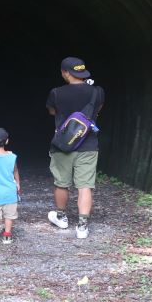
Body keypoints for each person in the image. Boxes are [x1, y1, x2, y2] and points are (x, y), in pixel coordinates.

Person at [46, 57, 104, 239]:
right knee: (85, 185)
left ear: (65, 73)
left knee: (61, 183)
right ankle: (82, 226)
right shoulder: (97, 92)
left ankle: (62, 217)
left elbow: (51, 111)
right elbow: (98, 109)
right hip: (89, 143)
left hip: (63, 144)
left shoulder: (56, 93)